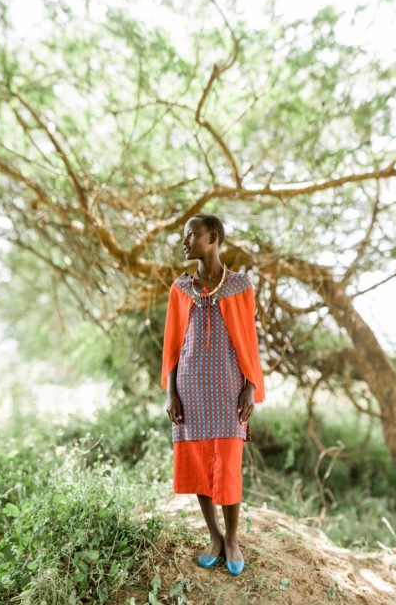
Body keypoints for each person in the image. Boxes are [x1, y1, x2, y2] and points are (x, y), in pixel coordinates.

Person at [160, 214, 265, 577]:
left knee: (228, 466)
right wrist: (171, 392)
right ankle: (214, 537)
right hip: (190, 389)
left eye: (191, 235)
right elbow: (172, 344)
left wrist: (250, 387)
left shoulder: (239, 286)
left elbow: (249, 342)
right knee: (200, 466)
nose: (185, 242)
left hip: (229, 390)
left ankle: (233, 539)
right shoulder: (181, 288)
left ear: (213, 237)